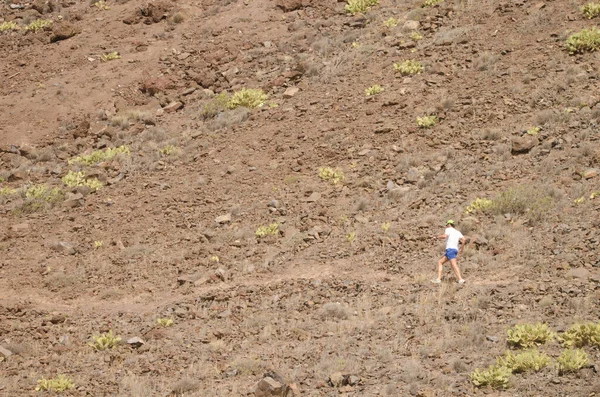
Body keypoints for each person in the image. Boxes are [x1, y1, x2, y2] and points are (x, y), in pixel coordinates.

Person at [431, 220, 467, 284]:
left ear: (449, 224)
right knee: (440, 262)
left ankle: (461, 279)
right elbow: (464, 239)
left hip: (450, 249)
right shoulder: (457, 232)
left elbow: (444, 236)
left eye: (447, 224)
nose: (446, 226)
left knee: (453, 264)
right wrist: (462, 248)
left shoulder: (448, 229)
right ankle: (438, 279)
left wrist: (436, 237)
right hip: (454, 250)